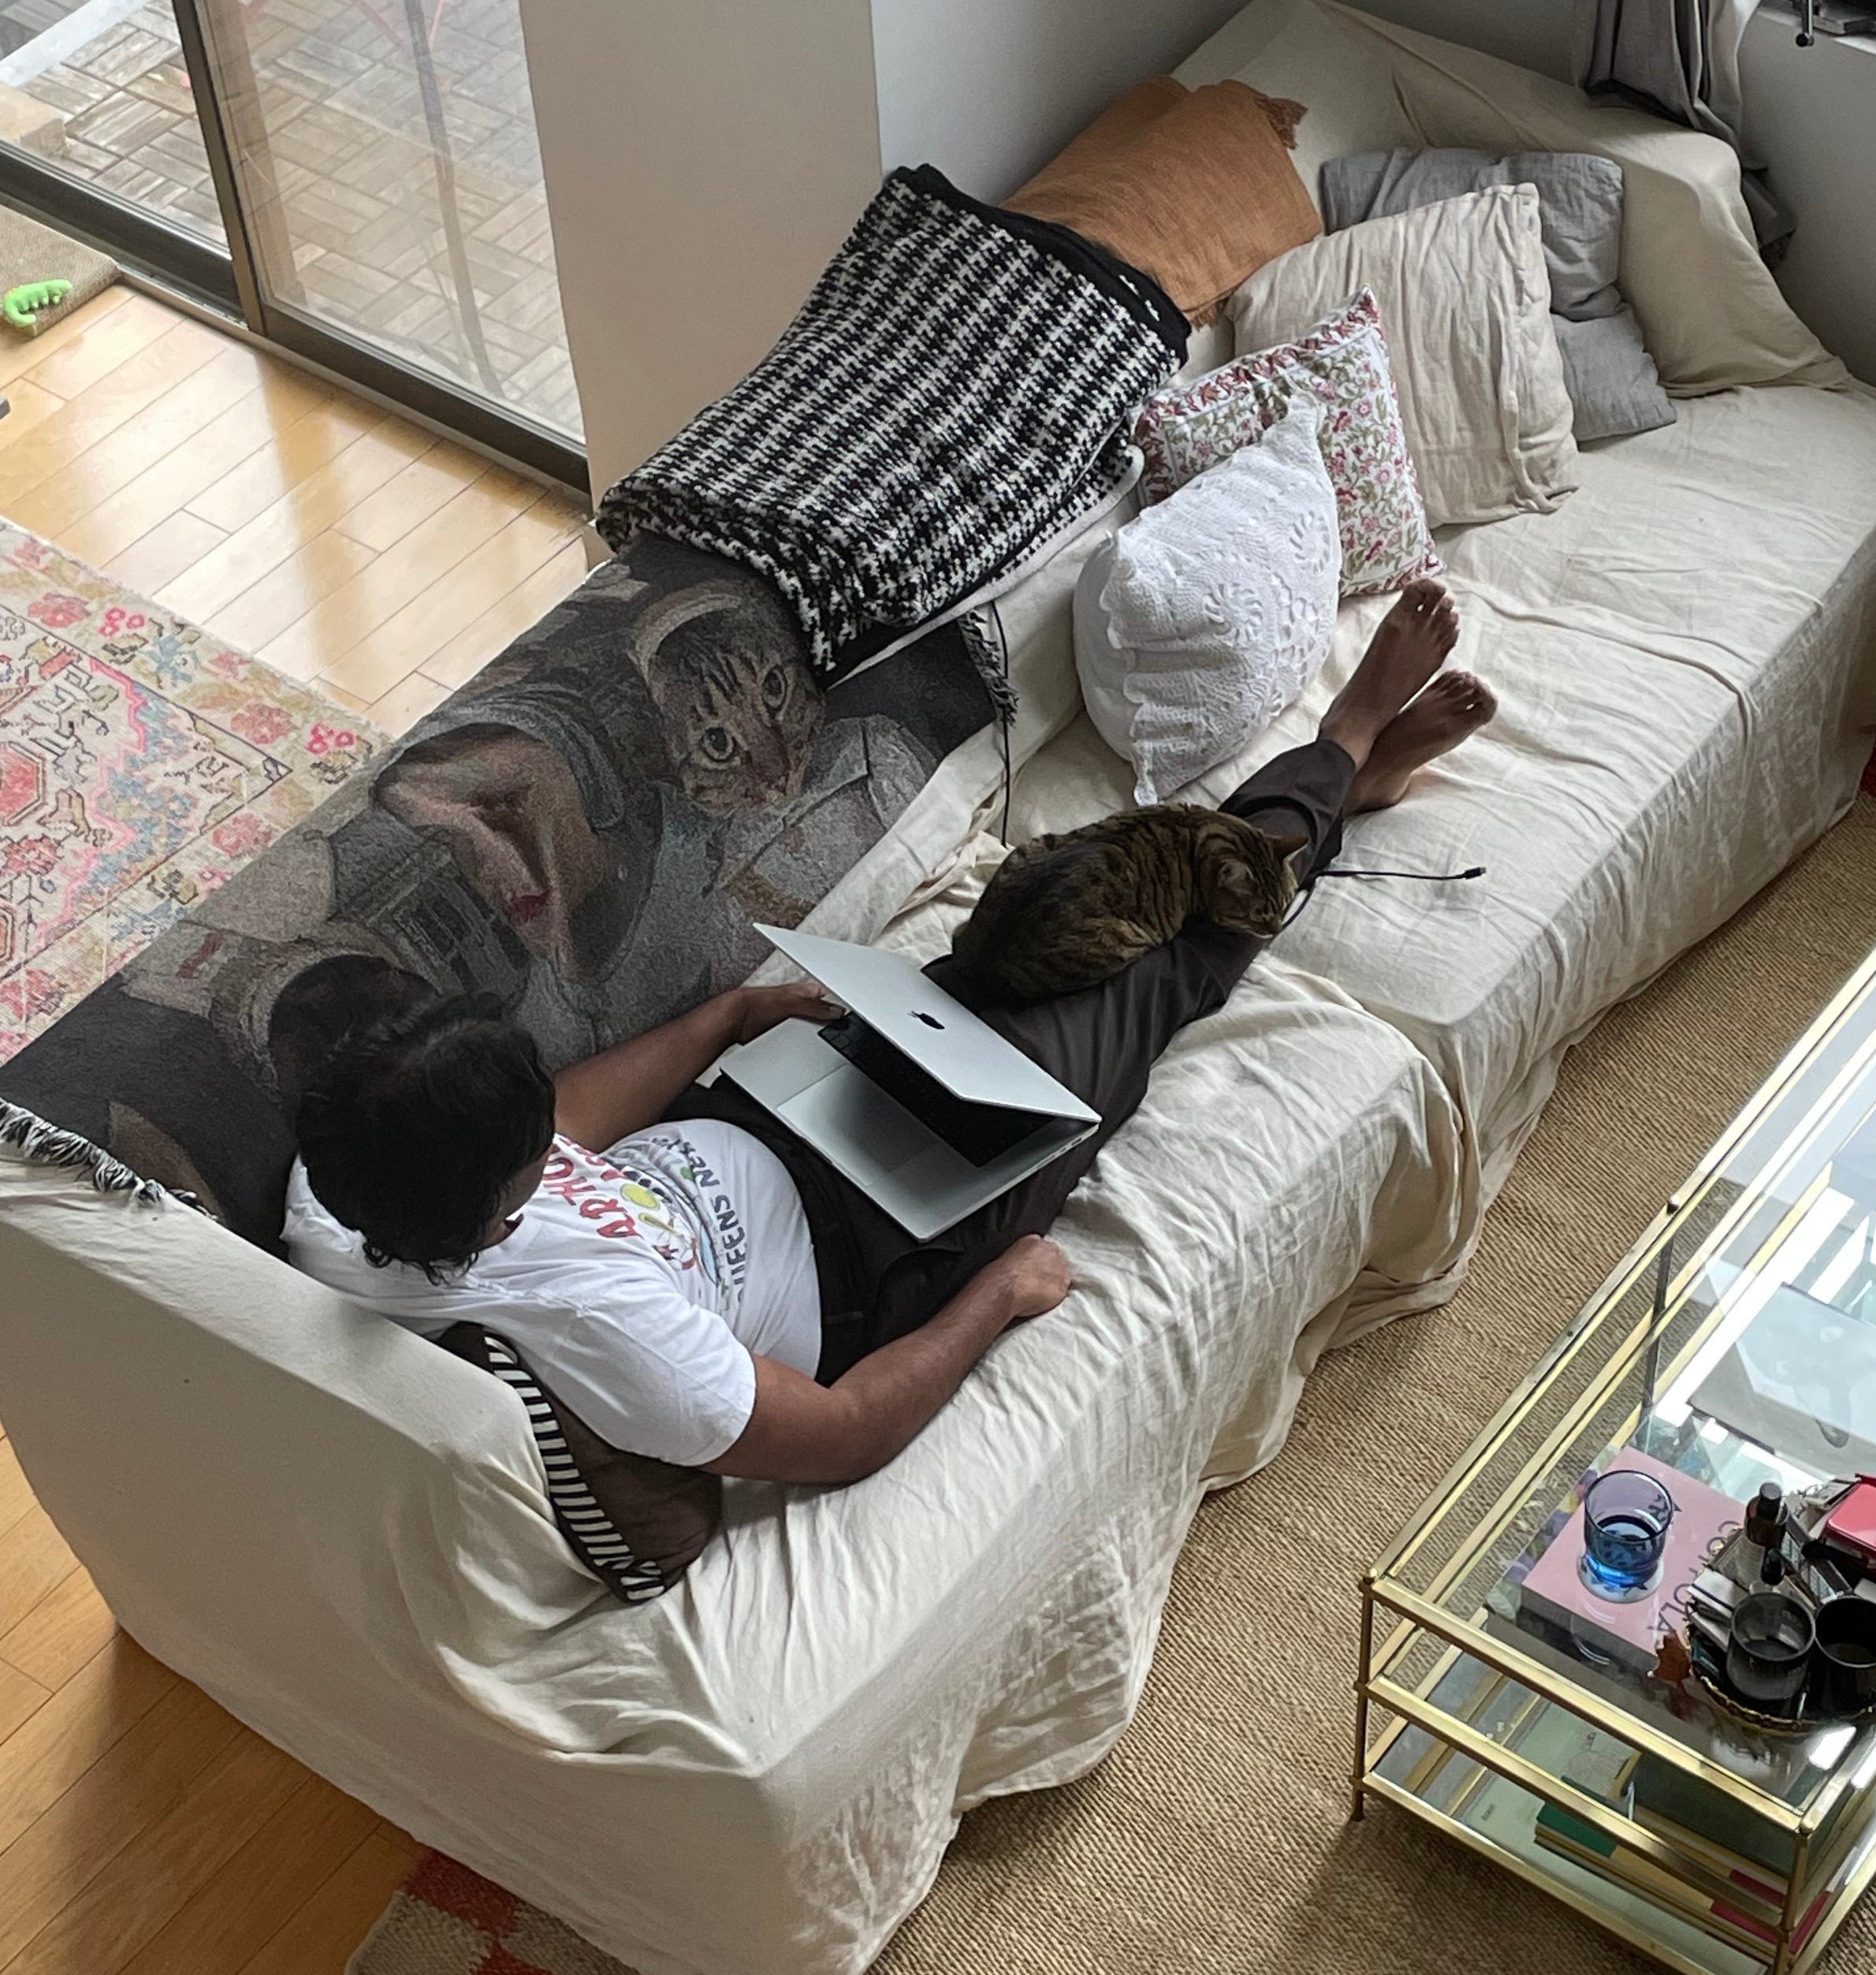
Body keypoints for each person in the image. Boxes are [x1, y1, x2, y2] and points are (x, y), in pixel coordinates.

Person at [284, 584, 1496, 1489]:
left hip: (779, 1103)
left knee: (1031, 940)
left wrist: (730, 1016)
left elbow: (569, 1120)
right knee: (1157, 973)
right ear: (498, 1211)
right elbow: (849, 1431)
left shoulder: (340, 1190)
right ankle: (1343, 750)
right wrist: (1001, 1293)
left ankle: (1330, 802)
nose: (558, 1143)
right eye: (535, 1157)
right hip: (883, 1242)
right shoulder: (623, 1348)